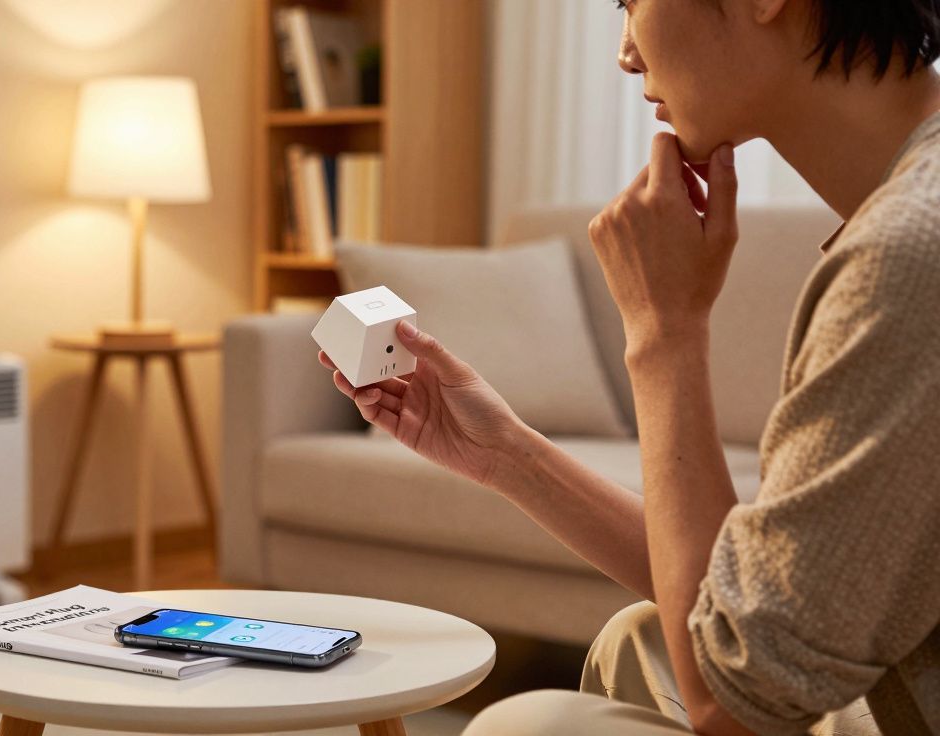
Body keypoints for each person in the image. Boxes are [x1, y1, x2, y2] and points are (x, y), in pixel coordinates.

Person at [317, 1, 940, 733]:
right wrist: (506, 454)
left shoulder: (906, 255)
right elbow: (752, 607)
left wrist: (664, 331)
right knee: (636, 641)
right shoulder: (901, 213)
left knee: (529, 725)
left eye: (630, 1)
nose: (626, 52)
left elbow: (730, 695)